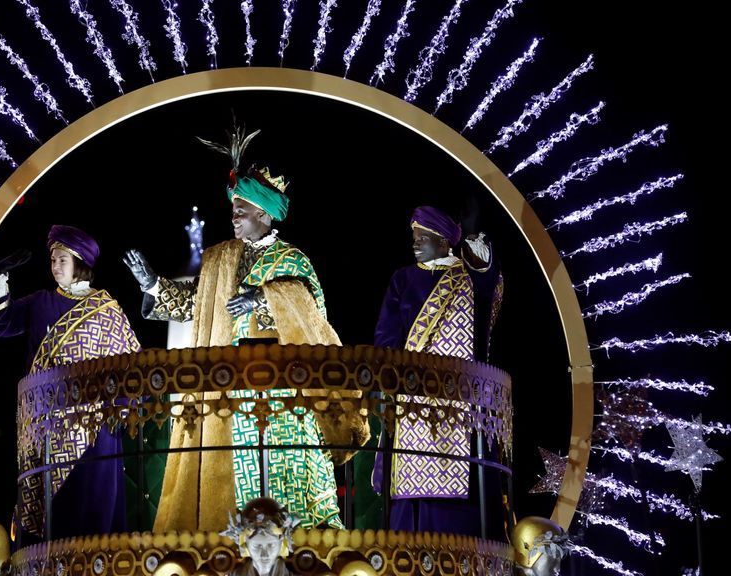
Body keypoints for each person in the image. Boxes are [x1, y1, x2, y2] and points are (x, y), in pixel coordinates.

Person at [123, 125, 368, 531]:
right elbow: (194, 306)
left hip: (285, 390)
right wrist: (152, 283)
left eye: (242, 210)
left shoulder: (293, 260)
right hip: (231, 388)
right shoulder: (219, 258)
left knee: (290, 471)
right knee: (236, 474)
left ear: (264, 214)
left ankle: (302, 544)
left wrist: (265, 297)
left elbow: (311, 315)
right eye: (233, 210)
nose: (233, 217)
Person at [0, 225, 141, 537]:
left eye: (62, 260)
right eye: (52, 260)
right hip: (45, 426)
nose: (54, 267)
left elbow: (131, 367)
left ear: (81, 263)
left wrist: (123, 407)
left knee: (93, 511)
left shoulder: (107, 309)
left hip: (94, 429)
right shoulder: (40, 302)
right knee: (49, 516)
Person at [372, 206, 503, 534]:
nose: (416, 244)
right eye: (414, 237)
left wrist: (473, 240)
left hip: (461, 403)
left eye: (424, 237)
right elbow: (386, 336)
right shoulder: (403, 278)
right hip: (412, 399)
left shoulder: (468, 275)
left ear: (445, 241)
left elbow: (489, 284)